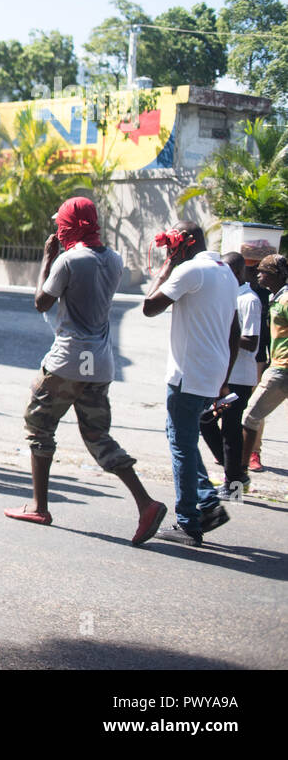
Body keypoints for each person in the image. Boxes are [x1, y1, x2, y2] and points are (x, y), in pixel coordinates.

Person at [4, 197, 167, 544]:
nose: (56, 229)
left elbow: (41, 302)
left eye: (60, 223)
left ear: (70, 226)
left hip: (67, 360)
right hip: (100, 362)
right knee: (98, 436)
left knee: (38, 426)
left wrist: (46, 258)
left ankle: (39, 506)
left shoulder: (68, 260)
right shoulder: (115, 259)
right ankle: (145, 503)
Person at [142, 221, 240, 547]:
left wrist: (168, 266)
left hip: (187, 375)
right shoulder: (225, 271)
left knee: (181, 446)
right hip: (211, 374)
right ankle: (208, 502)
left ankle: (189, 522)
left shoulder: (190, 271)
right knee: (180, 437)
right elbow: (234, 330)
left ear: (184, 243)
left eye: (171, 244)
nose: (168, 250)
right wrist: (223, 379)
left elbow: (149, 307)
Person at [199, 252, 260, 499]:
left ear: (235, 272)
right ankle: (235, 474)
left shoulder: (249, 299)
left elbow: (251, 340)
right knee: (206, 421)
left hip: (240, 378)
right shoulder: (230, 295)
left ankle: (234, 484)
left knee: (230, 429)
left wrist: (224, 333)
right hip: (224, 374)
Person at [239, 254, 288, 489]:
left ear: (275, 275)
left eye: (263, 271)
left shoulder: (286, 298)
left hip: (282, 369)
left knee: (249, 417)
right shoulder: (275, 297)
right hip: (277, 365)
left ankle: (239, 479)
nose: (258, 275)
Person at [242, 240, 275, 473]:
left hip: (258, 356)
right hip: (236, 353)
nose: (257, 272)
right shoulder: (239, 287)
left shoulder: (270, 291)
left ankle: (254, 452)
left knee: (255, 407)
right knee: (233, 402)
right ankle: (234, 448)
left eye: (260, 268)